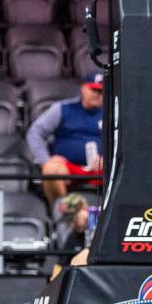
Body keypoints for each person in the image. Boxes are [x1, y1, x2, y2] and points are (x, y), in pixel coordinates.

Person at [26, 73, 103, 207]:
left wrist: (108, 160)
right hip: (69, 167)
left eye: (101, 91)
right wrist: (45, 160)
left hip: (102, 168)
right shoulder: (63, 109)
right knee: (51, 169)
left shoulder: (112, 111)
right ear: (83, 88)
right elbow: (35, 132)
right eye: (94, 90)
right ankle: (63, 216)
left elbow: (122, 142)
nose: (98, 94)